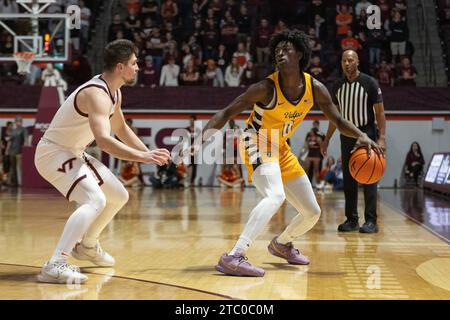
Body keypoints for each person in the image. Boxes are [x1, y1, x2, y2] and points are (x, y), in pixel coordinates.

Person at [185, 30, 381, 277]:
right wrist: (198, 140)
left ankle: (282, 243)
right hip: (257, 140)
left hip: (281, 147)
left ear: (300, 54)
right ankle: (234, 255)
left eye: (287, 48)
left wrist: (362, 135)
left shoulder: (315, 88)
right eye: (277, 49)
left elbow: (338, 120)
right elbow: (226, 112)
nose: (280, 52)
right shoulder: (265, 88)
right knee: (275, 195)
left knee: (312, 212)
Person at [34, 39, 171, 284]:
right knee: (94, 199)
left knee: (119, 195)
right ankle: (55, 264)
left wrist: (150, 153)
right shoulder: (95, 94)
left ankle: (87, 246)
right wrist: (142, 157)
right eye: (134, 63)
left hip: (72, 151)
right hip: (53, 152)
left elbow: (120, 128)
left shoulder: (114, 92)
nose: (138, 67)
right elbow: (105, 142)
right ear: (120, 67)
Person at [321, 50, 387, 234]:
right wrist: (326, 139)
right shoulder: (337, 85)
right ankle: (351, 220)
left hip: (367, 133)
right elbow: (335, 118)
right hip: (346, 136)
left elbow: (380, 112)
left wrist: (381, 137)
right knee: (349, 179)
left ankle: (371, 221)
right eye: (344, 60)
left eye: (350, 60)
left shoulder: (369, 83)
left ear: (357, 62)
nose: (347, 63)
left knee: (369, 177)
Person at [8, 116, 29, 187]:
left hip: (20, 151)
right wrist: (7, 150)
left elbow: (26, 138)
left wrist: (26, 147)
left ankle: (22, 183)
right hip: (12, 151)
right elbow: (10, 141)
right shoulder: (14, 130)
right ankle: (15, 182)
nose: (18, 122)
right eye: (17, 121)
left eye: (19, 121)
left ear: (21, 122)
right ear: (15, 122)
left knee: (20, 167)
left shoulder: (23, 129)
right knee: (13, 167)